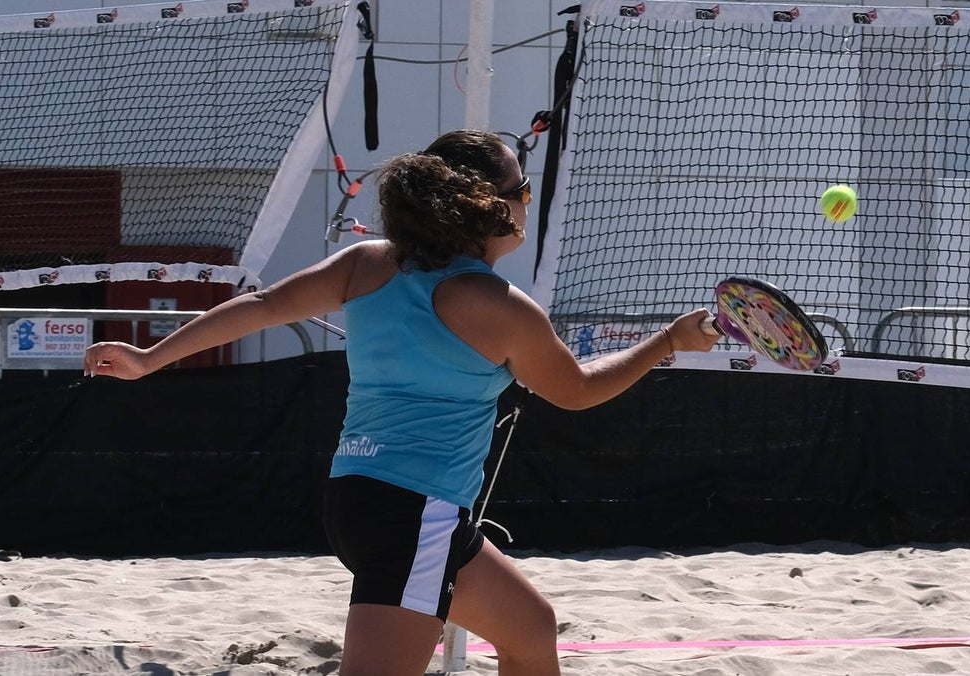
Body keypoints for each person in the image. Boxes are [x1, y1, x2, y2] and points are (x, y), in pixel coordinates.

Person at [84, 129, 720, 676]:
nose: (528, 202)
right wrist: (667, 340)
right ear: (491, 207)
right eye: (523, 190)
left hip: (364, 496)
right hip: (414, 513)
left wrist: (149, 359)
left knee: (531, 629)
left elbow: (261, 306)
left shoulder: (368, 265)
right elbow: (577, 392)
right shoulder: (495, 305)